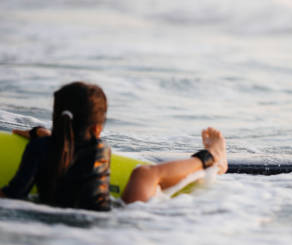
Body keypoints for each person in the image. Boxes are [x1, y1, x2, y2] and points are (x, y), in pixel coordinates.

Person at [0, 81, 227, 211]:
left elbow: (15, 194)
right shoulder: (101, 149)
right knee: (145, 173)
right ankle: (210, 158)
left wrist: (44, 137)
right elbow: (76, 146)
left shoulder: (38, 148)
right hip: (109, 219)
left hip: (61, 219)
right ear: (98, 129)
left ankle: (211, 157)